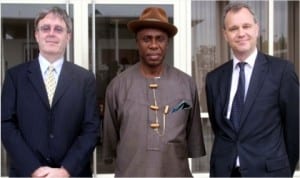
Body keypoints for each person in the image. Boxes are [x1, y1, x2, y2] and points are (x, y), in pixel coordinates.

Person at [102, 6, 206, 177]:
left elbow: (193, 138)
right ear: (137, 42)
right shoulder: (118, 86)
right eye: (146, 39)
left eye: (160, 39)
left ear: (168, 42)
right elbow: (110, 142)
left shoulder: (186, 84)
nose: (153, 45)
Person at [1, 7, 100, 177]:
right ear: (36, 35)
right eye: (45, 28)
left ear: (68, 36)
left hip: (73, 173)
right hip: (27, 173)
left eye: (58, 29)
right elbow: (6, 125)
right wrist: (34, 169)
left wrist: (66, 170)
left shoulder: (85, 79)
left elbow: (91, 129)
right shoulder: (15, 77)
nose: (51, 34)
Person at [205, 2, 299, 177]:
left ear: (256, 29)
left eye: (246, 26)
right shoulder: (214, 79)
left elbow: (294, 130)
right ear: (225, 35)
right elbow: (220, 130)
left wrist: (284, 171)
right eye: (233, 28)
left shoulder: (282, 72)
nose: (241, 33)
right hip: (225, 172)